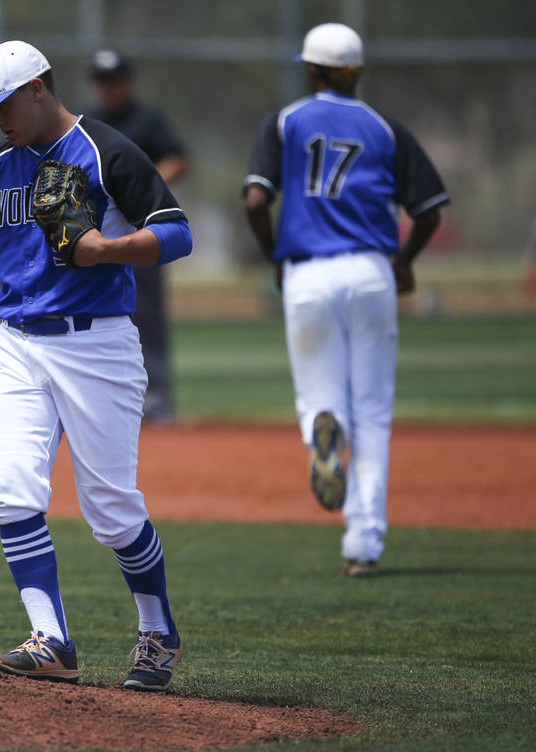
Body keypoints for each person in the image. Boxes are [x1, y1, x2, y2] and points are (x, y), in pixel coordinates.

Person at [0, 40, 193, 689]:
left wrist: (106, 249)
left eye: (5, 103)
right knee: (9, 489)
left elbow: (177, 233)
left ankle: (158, 632)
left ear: (38, 87)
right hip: (18, 344)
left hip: (97, 344)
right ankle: (52, 640)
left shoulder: (105, 150)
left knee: (112, 510)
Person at [242, 23, 448, 577]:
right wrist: (405, 263)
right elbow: (429, 211)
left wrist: (274, 259)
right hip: (371, 269)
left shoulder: (285, 121)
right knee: (374, 412)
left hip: (308, 272)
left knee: (320, 398)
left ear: (311, 70)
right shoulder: (385, 128)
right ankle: (364, 543)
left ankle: (322, 431)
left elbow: (256, 199)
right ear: (357, 72)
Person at [87, 50, 190, 423]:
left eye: (113, 81)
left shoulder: (145, 119)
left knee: (147, 313)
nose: (107, 88)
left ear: (126, 83)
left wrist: (141, 185)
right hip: (96, 237)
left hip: (140, 233)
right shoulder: (87, 120)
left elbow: (178, 157)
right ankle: (103, 395)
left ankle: (158, 396)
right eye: (101, 81)